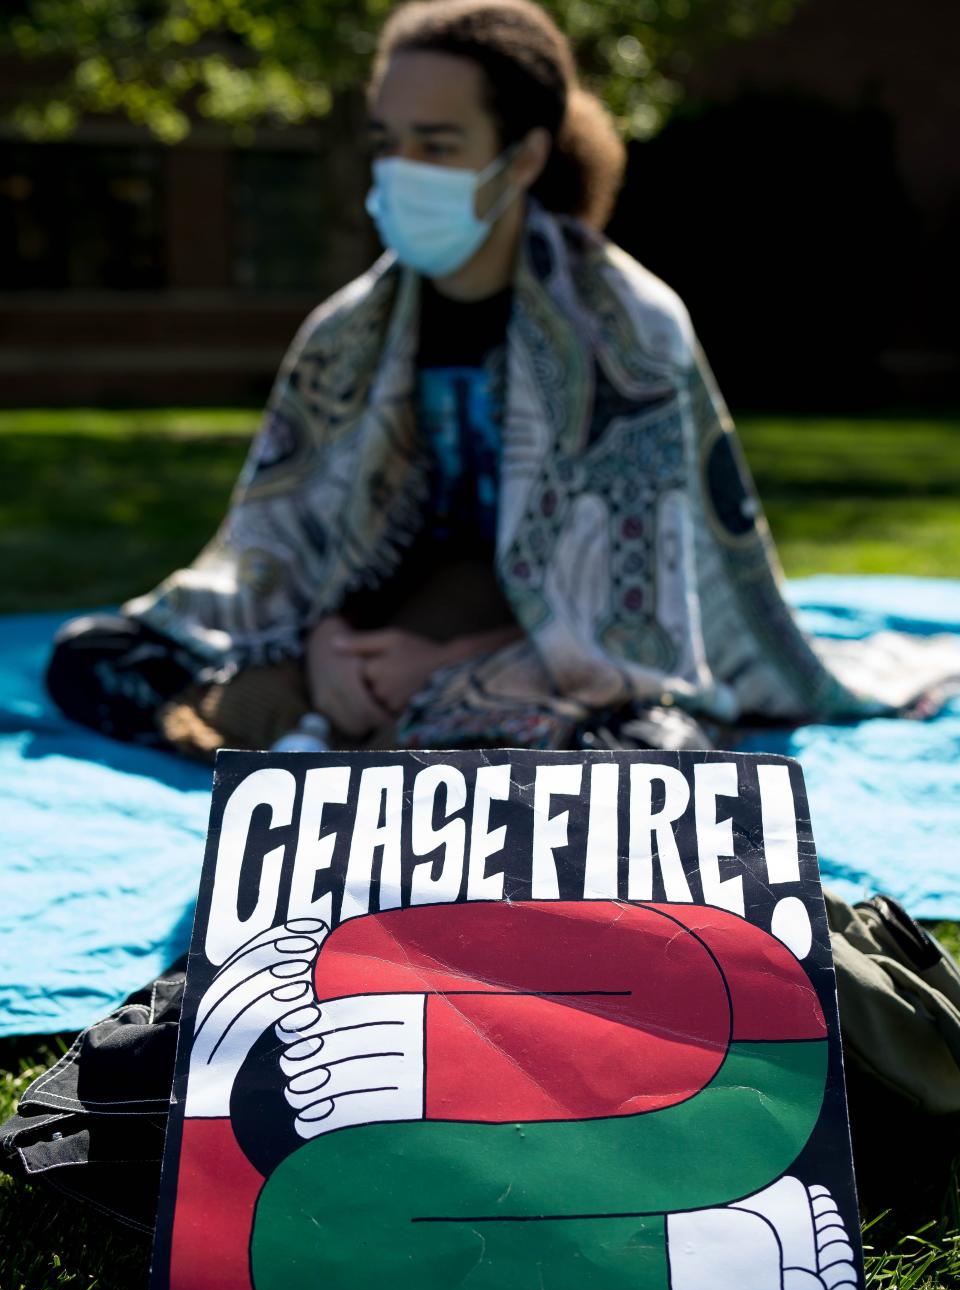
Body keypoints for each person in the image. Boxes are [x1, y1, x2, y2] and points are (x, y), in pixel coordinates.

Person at [46, 0, 959, 758]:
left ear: (520, 156)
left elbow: (632, 617)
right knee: (97, 658)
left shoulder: (628, 327)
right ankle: (348, 716)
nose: (403, 172)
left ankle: (361, 726)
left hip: (541, 642)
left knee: (649, 748)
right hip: (363, 627)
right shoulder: (347, 330)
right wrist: (323, 644)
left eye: (437, 145)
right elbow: (280, 538)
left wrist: (437, 664)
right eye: (387, 140)